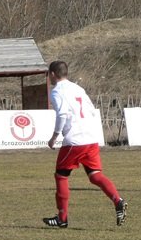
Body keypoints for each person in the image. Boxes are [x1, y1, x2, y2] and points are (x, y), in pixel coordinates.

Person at [42, 60, 127, 228]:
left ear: (52, 74)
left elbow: (62, 114)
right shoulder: (78, 88)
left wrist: (55, 136)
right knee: (95, 175)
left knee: (61, 175)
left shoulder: (57, 91)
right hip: (90, 137)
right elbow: (91, 110)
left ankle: (62, 218)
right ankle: (118, 201)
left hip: (74, 140)